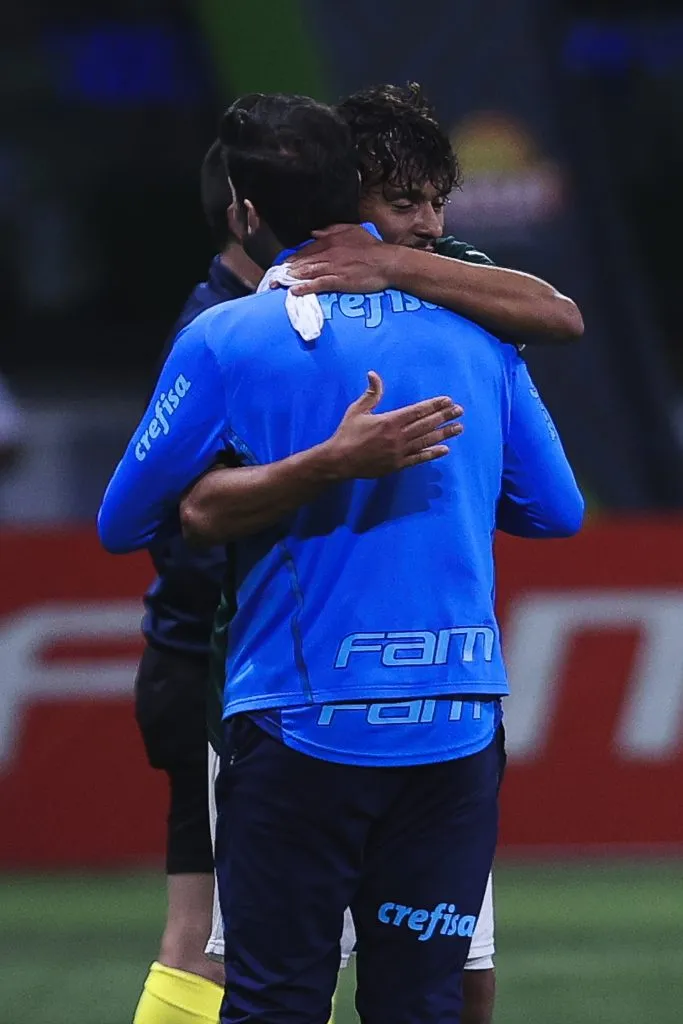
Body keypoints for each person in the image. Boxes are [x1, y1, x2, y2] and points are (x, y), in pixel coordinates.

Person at [98, 92, 583, 1024]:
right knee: (426, 1004)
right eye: (409, 203)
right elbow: (554, 511)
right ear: (354, 197)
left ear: (249, 207)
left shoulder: (228, 333)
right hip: (455, 721)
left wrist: (302, 475)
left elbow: (132, 520)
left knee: (269, 994)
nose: (432, 225)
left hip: (292, 716)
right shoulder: (479, 328)